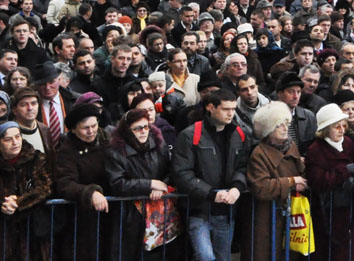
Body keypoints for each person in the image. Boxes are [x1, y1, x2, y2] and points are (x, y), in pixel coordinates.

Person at [172, 89, 251, 261]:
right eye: (225, 109)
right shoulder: (190, 135)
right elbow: (182, 172)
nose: (231, 114)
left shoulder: (239, 134)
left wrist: (237, 187)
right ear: (210, 107)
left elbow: (243, 166)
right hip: (198, 209)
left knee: (222, 257)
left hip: (226, 209)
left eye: (233, 109)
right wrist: (210, 193)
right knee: (205, 256)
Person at [0, 121, 53, 261]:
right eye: (8, 139)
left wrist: (19, 203)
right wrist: (1, 201)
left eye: (17, 137)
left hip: (31, 229)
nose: (15, 142)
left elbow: (44, 187)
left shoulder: (35, 158)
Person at [106, 107, 175, 259]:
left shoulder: (159, 143)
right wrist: (149, 184)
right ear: (127, 130)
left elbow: (171, 170)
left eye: (146, 127)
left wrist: (162, 186)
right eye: (137, 128)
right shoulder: (116, 151)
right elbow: (118, 184)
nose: (143, 131)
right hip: (131, 214)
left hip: (160, 210)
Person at [246, 101, 307, 261]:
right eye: (279, 125)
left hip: (291, 214)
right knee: (267, 252)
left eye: (286, 123)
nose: (285, 128)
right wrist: (291, 182)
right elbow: (261, 186)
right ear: (268, 129)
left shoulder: (291, 146)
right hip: (267, 216)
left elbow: (301, 173)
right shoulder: (259, 153)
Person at [51, 103, 110, 261]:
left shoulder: (105, 142)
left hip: (108, 217)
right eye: (85, 128)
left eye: (94, 126)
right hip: (80, 222)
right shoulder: (66, 151)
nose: (91, 131)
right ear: (74, 129)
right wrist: (90, 192)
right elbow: (65, 183)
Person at [304, 103, 354, 261]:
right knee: (328, 252)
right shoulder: (315, 149)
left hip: (349, 208)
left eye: (344, 126)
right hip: (326, 210)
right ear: (326, 129)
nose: (342, 130)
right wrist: (344, 171)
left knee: (348, 251)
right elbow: (317, 180)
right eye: (337, 126)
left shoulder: (348, 143)